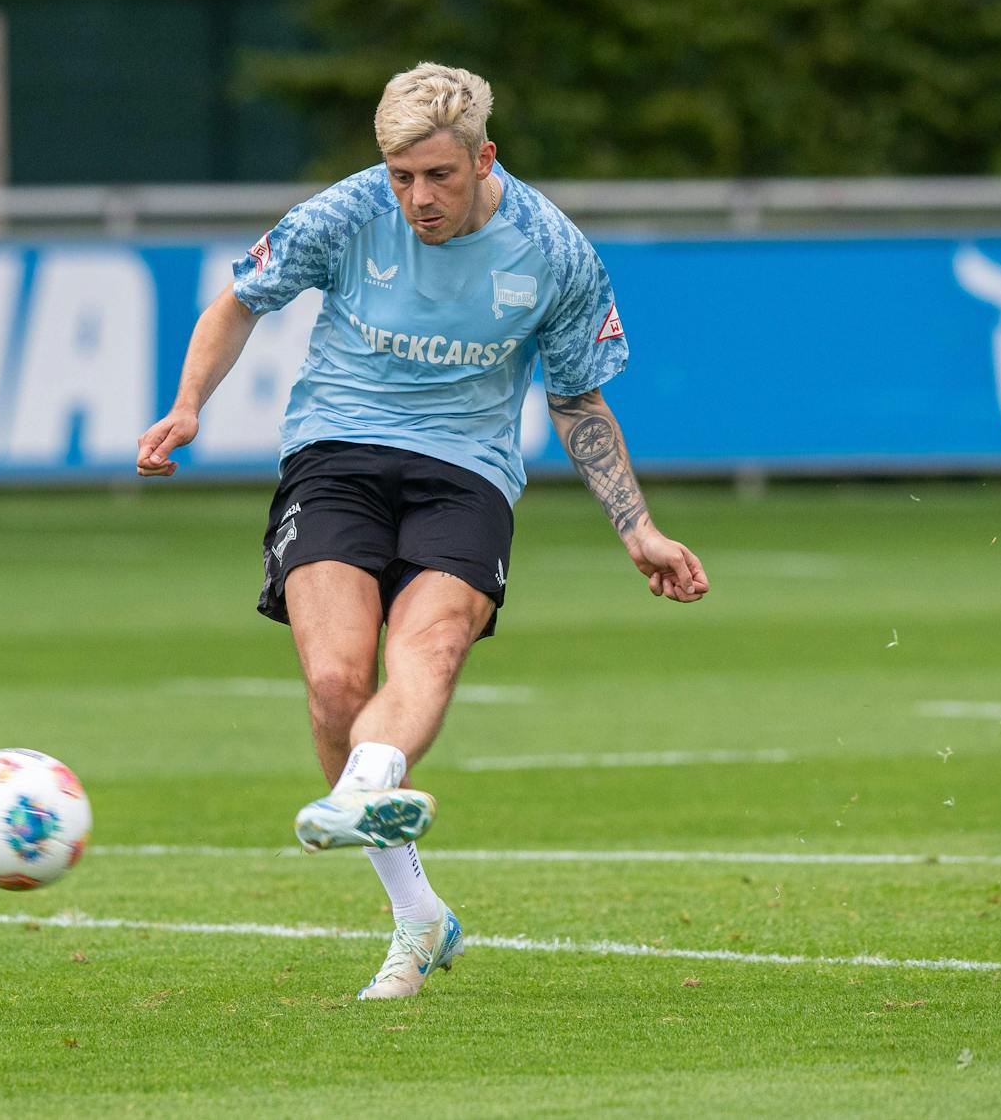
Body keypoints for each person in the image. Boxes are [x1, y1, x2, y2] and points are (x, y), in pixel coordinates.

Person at [136, 62, 709, 999]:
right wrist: (189, 404)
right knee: (334, 680)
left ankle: (367, 785)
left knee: (431, 648)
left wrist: (636, 526)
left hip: (467, 473)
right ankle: (417, 909)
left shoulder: (554, 252)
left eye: (438, 176)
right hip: (335, 453)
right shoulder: (346, 213)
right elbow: (240, 299)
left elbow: (576, 397)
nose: (417, 198)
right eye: (402, 176)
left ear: (485, 157)